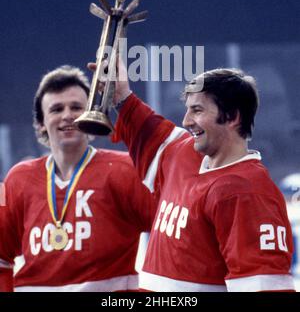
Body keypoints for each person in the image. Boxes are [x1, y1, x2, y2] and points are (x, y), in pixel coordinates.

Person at [112, 65, 295, 292]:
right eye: (188, 109)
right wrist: (121, 96)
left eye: (197, 110)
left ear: (232, 117)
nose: (186, 120)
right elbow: (148, 130)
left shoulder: (247, 192)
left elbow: (264, 287)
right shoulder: (183, 152)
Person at [0, 65, 155, 292]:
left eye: (76, 107)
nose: (67, 115)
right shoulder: (16, 178)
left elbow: (169, 233)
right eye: (56, 109)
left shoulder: (125, 170)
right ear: (42, 123)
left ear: (92, 115)